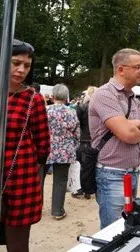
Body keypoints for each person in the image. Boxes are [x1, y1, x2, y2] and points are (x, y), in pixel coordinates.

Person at [89, 48, 140, 229]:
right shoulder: (105, 94)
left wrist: (133, 123)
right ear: (121, 69)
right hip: (112, 174)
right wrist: (136, 127)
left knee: (128, 227)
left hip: (132, 173)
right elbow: (128, 135)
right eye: (138, 67)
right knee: (114, 230)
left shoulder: (132, 98)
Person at [0, 39, 51, 251]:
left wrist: (35, 174)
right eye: (16, 63)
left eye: (26, 65)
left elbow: (43, 143)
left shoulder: (32, 99)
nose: (21, 70)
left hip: (21, 178)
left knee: (18, 245)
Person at [44, 83, 80, 220]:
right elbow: (77, 134)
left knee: (39, 180)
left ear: (52, 96)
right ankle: (57, 211)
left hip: (44, 149)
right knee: (60, 180)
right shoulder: (71, 112)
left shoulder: (45, 110)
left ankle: (36, 208)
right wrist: (72, 147)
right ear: (66, 97)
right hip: (65, 151)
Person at [73, 85, 99, 199]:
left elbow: (76, 124)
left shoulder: (82, 107)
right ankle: (91, 189)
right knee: (94, 167)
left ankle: (85, 190)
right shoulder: (100, 108)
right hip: (97, 142)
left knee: (84, 167)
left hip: (84, 141)